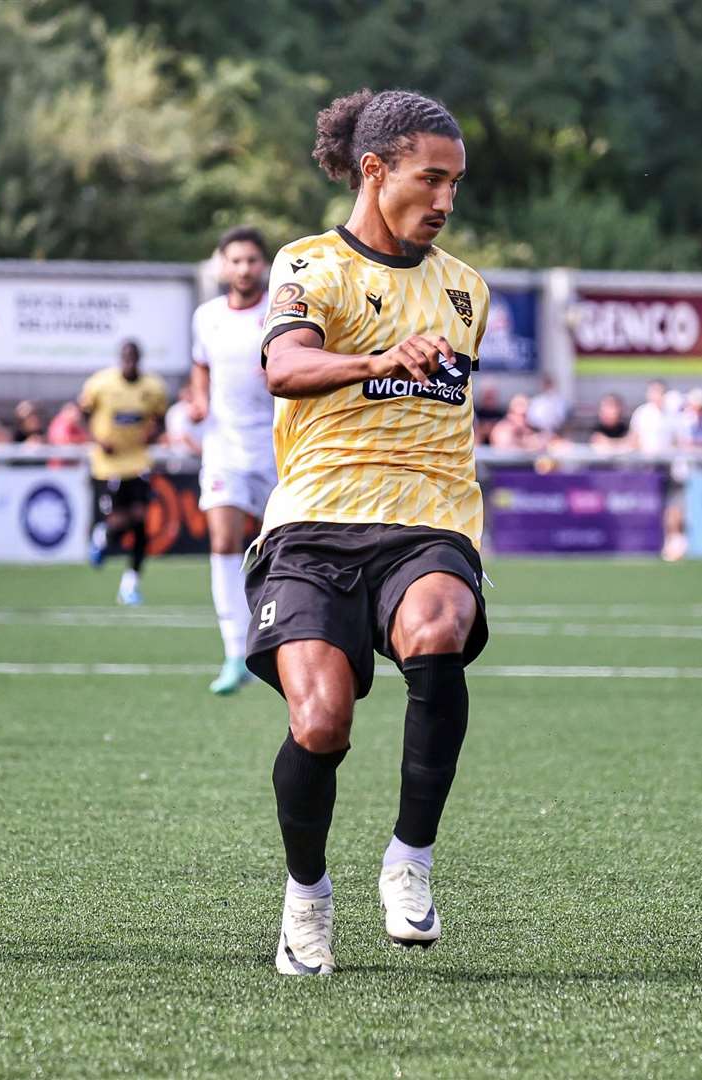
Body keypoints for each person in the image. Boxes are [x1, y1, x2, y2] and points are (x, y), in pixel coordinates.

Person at [253, 88, 492, 975]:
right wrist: (377, 359)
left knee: (438, 628)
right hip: (313, 525)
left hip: (428, 520)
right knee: (321, 724)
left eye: (457, 185)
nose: (446, 201)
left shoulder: (468, 291)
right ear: (374, 169)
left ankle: (410, 859)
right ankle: (307, 894)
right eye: (432, 180)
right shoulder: (310, 266)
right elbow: (283, 364)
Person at [189, 225, 277, 695]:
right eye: (236, 260)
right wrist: (199, 402)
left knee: (281, 548)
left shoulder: (281, 311)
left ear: (264, 265)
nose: (244, 268)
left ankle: (279, 639)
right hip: (223, 448)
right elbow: (200, 366)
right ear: (223, 265)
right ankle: (232, 653)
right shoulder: (207, 317)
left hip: (277, 447)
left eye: (252, 260)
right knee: (223, 540)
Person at [80, 339, 168, 605]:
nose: (129, 362)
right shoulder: (100, 384)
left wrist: (154, 432)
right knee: (119, 520)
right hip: (109, 465)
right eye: (125, 357)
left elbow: (160, 417)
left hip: (138, 461)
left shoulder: (153, 388)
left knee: (142, 522)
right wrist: (97, 439)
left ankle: (130, 584)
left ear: (139, 359)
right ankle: (104, 535)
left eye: (134, 357)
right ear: (120, 358)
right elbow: (83, 414)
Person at [629, 379, 674, 454]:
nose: (657, 395)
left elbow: (675, 439)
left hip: (666, 458)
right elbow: (634, 437)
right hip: (646, 459)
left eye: (660, 391)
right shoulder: (641, 412)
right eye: (653, 391)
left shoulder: (671, 413)